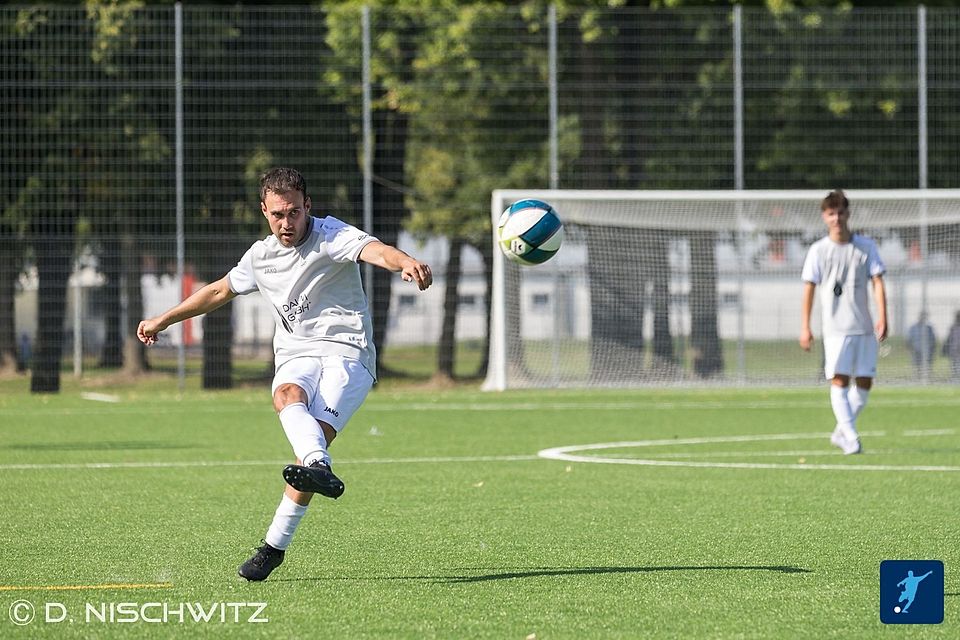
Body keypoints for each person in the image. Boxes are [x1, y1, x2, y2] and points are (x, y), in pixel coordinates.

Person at [137, 167, 432, 581]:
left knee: (309, 449)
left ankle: (274, 547)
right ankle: (318, 469)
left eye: (293, 212)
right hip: (296, 354)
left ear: (308, 206)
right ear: (264, 211)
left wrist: (406, 262)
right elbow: (219, 290)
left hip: (348, 354)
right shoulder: (261, 256)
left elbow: (377, 251)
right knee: (287, 397)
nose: (286, 223)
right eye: (277, 214)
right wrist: (164, 319)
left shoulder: (332, 235)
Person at [799, 189, 887, 455]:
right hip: (835, 328)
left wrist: (883, 315)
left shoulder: (866, 247)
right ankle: (851, 436)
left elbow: (878, 281)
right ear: (824, 217)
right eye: (831, 213)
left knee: (864, 382)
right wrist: (805, 326)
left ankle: (841, 431)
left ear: (848, 214)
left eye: (840, 212)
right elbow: (809, 288)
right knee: (839, 380)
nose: (836, 218)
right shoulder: (818, 250)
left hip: (863, 326)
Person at [906, 311, 936, 377]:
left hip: (927, 351)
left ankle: (927, 378)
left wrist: (932, 350)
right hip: (916, 350)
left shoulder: (929, 328)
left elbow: (933, 340)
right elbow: (909, 340)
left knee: (927, 366)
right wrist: (910, 349)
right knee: (917, 367)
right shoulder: (913, 328)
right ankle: (917, 378)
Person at [943, 311, 960, 382]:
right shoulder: (953, 327)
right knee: (954, 366)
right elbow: (949, 338)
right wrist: (945, 348)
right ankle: (955, 379)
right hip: (953, 351)